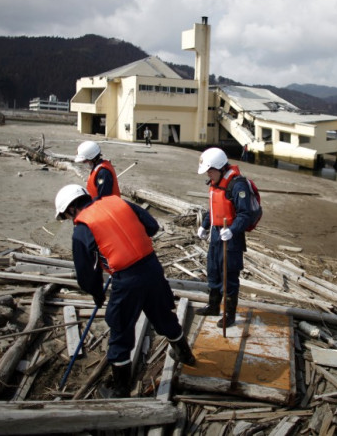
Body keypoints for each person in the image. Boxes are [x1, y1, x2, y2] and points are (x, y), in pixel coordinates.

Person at [54, 184, 196, 398]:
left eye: (65, 215)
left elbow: (85, 273)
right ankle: (186, 356)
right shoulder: (117, 201)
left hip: (127, 281)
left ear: (71, 208)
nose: (68, 220)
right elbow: (152, 226)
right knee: (163, 315)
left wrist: (97, 294)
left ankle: (120, 389)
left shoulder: (82, 230)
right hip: (152, 268)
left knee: (120, 331)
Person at [195, 147, 254, 328]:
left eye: (210, 171)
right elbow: (214, 207)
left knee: (228, 274)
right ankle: (213, 306)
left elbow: (245, 214)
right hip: (215, 232)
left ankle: (229, 313)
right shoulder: (216, 182)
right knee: (213, 269)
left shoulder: (237, 185)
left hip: (231, 237)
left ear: (220, 167)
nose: (208, 175)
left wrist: (233, 230)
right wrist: (205, 225)